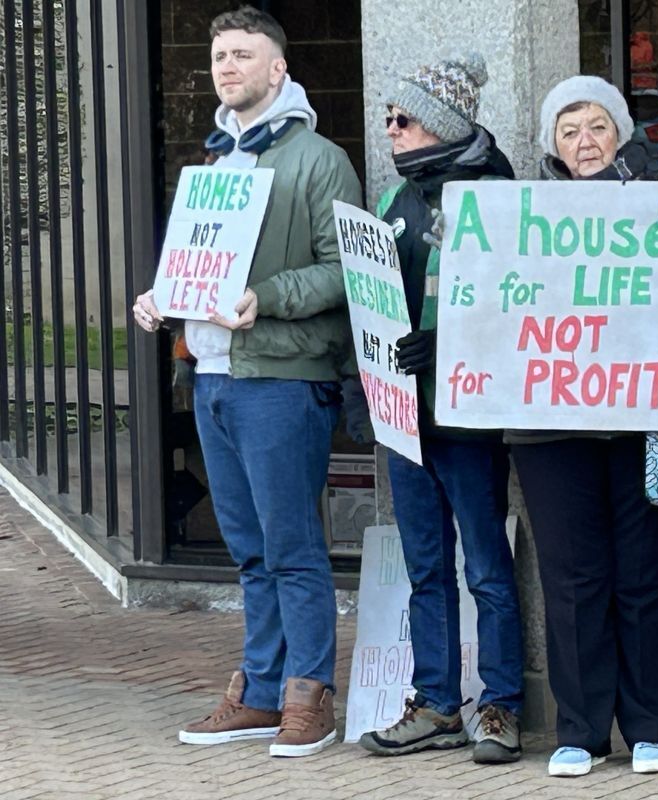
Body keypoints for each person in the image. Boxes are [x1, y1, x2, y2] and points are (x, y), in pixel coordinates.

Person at [132, 6, 361, 758]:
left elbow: (344, 269)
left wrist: (269, 297)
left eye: (243, 54)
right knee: (250, 552)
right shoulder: (211, 165)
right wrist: (162, 299)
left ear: (278, 69)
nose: (227, 66)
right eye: (219, 55)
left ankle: (309, 696)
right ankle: (261, 693)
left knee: (293, 548)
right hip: (214, 379)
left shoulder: (317, 160)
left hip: (281, 380)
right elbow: (196, 266)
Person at [508, 75, 658, 779]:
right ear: (553, 144)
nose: (585, 144)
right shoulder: (517, 216)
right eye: (569, 131)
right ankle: (579, 728)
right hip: (549, 424)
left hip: (642, 416)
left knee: (645, 574)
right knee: (572, 578)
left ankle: (652, 725)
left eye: (597, 127)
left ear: (622, 133)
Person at [355, 54, 525, 765]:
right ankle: (435, 702)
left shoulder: (494, 194)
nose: (389, 129)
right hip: (405, 419)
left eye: (404, 118)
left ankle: (502, 706)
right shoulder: (398, 202)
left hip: (466, 421)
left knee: (486, 566)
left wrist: (446, 342)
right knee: (427, 566)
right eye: (389, 117)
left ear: (445, 124)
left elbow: (515, 304)